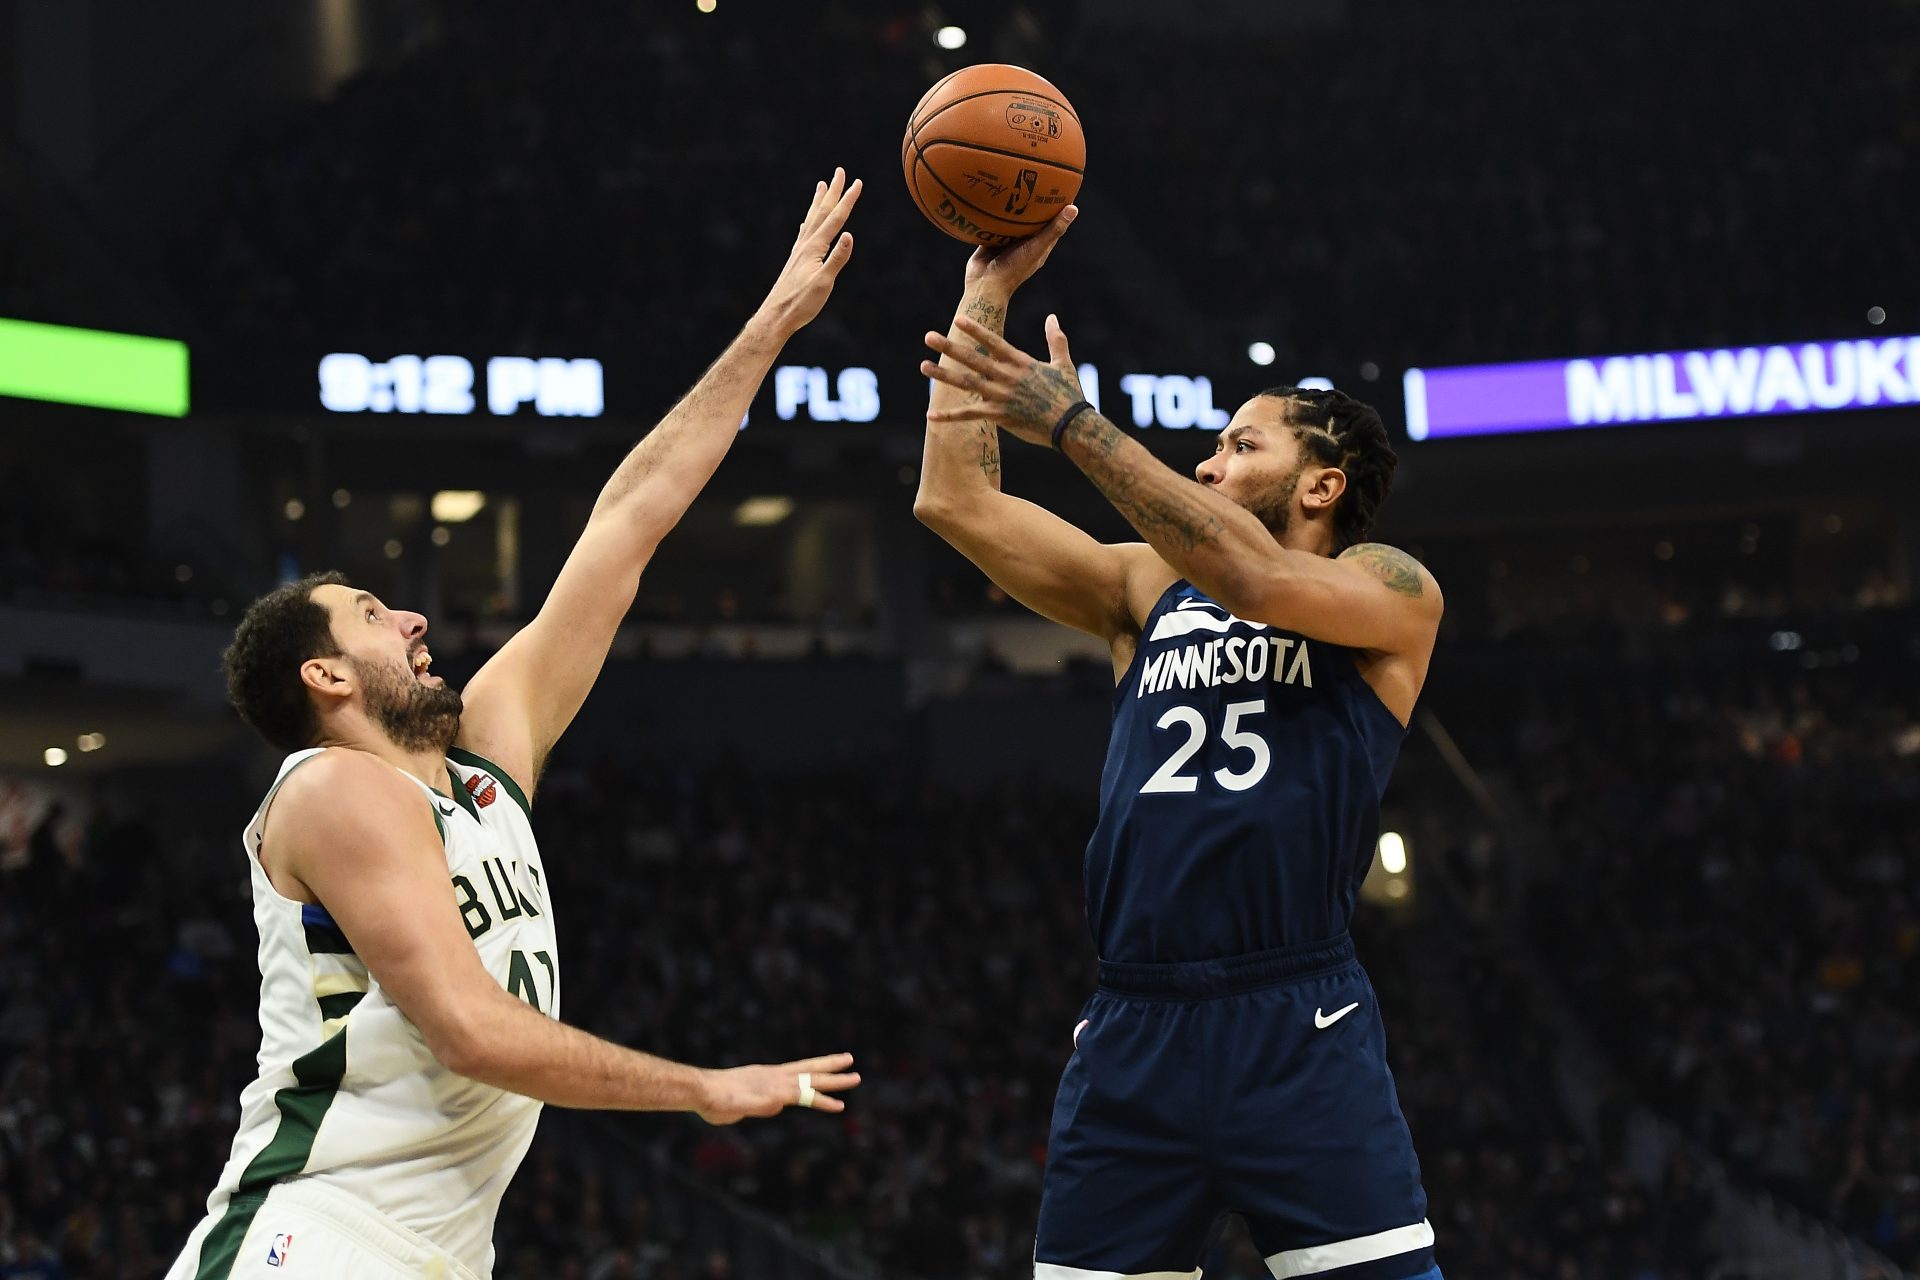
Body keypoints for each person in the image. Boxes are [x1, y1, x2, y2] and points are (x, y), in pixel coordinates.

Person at [165, 171, 867, 1280]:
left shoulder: (484, 761)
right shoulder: (330, 789)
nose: (412, 615)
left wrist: (771, 324)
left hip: (440, 1249)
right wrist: (699, 1087)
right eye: (369, 613)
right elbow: (471, 1029)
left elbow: (629, 520)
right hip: (317, 1235)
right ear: (326, 676)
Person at [914, 207, 1446, 1280]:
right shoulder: (1146, 587)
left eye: (1239, 445)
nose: (1208, 464)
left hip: (1297, 1017)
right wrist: (986, 298)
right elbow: (954, 499)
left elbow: (1255, 578)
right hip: (1132, 1023)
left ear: (1322, 484)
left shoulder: (1388, 589)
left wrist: (1073, 423)